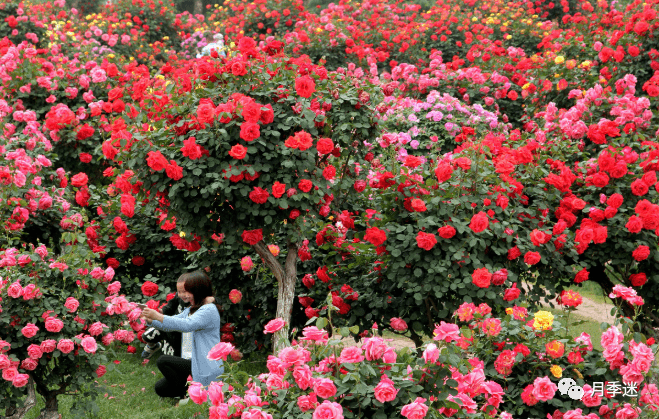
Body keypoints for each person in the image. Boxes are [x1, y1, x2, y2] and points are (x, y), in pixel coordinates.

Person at [141, 271, 223, 399]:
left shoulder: (209, 310)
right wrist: (150, 320)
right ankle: (189, 392)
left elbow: (186, 325)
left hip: (205, 365)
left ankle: (190, 394)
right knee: (161, 388)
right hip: (193, 363)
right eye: (181, 292)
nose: (184, 296)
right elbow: (171, 324)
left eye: (187, 291)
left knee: (163, 361)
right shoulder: (191, 309)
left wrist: (158, 316)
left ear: (199, 290)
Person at [141, 277, 216, 359]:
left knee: (167, 358)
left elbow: (186, 324)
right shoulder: (185, 306)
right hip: (172, 322)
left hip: (183, 334)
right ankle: (153, 347)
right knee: (147, 336)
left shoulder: (205, 308)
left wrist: (213, 299)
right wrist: (151, 319)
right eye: (179, 292)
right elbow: (171, 308)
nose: (181, 295)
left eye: (184, 291)